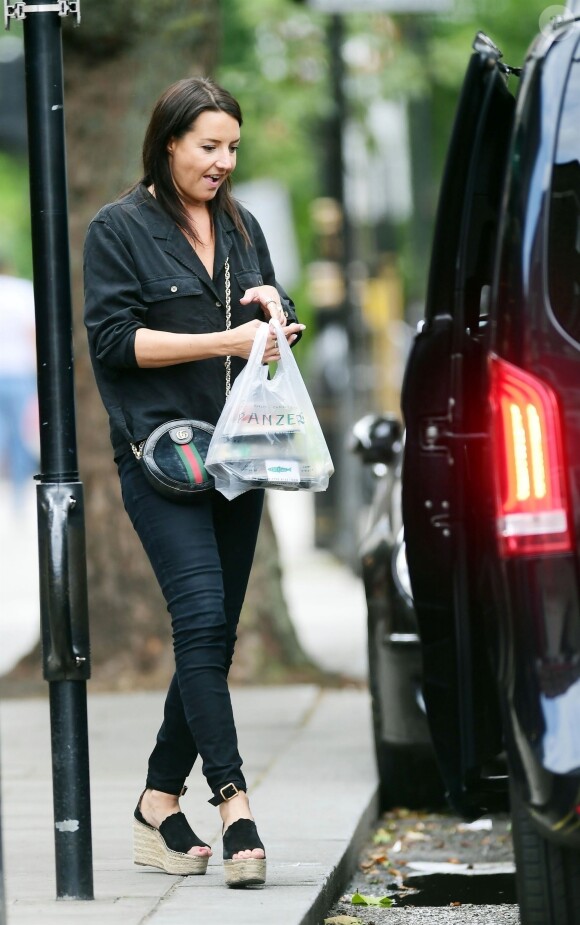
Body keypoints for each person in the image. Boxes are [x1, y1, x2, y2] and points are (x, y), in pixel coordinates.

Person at [83, 77, 305, 889]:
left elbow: (268, 317)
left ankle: (155, 803)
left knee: (212, 636)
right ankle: (235, 803)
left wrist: (278, 322)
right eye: (208, 146)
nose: (222, 161)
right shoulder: (119, 228)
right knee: (202, 618)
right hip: (163, 461)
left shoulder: (242, 226)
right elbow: (113, 342)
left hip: (240, 458)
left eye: (233, 148)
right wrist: (226, 338)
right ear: (169, 141)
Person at [0, 256, 38, 505]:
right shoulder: (21, 291)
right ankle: (17, 497)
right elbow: (32, 333)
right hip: (19, 372)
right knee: (19, 434)